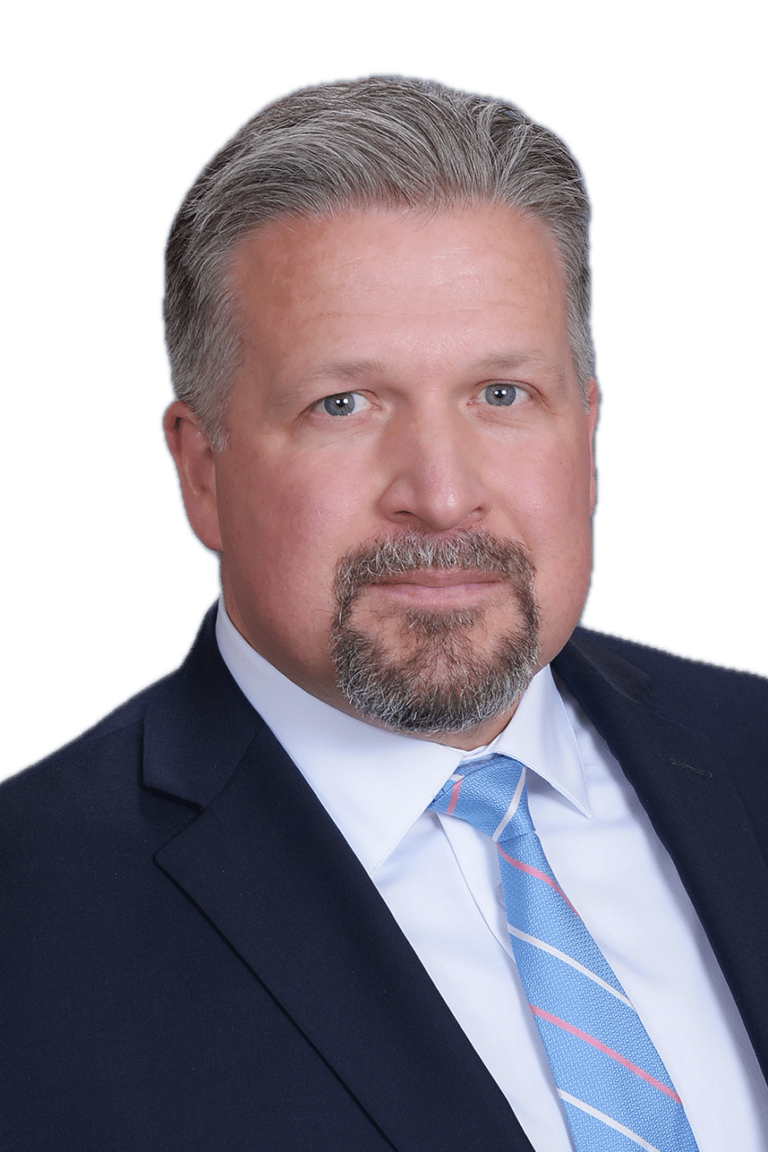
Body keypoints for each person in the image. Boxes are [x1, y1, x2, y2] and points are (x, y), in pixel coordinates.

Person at [2, 76, 767, 1152]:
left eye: (503, 394)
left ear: (584, 436)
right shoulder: (26, 919)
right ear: (200, 471)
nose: (443, 492)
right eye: (344, 404)